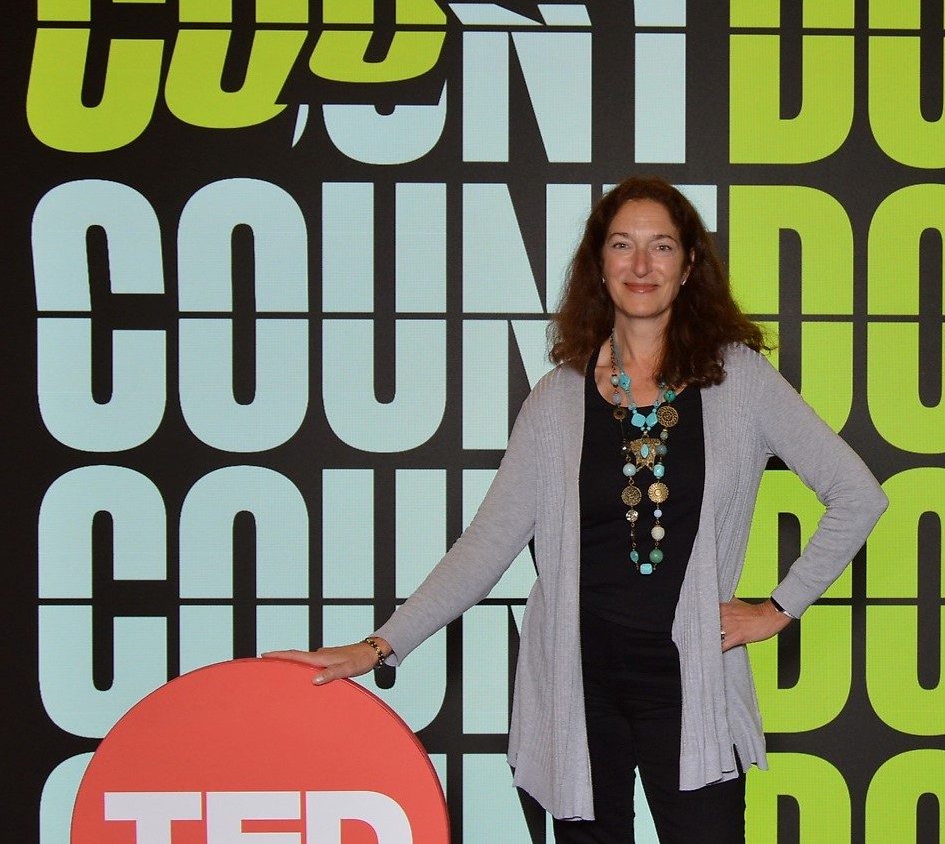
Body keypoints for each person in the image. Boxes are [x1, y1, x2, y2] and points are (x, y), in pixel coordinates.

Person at [267, 177, 887, 842]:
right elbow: (485, 545)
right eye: (622, 245)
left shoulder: (739, 380)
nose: (641, 265)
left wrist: (778, 607)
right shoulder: (556, 401)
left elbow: (858, 494)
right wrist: (379, 645)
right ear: (599, 265)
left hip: (691, 678)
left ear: (688, 268)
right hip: (578, 679)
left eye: (661, 246)